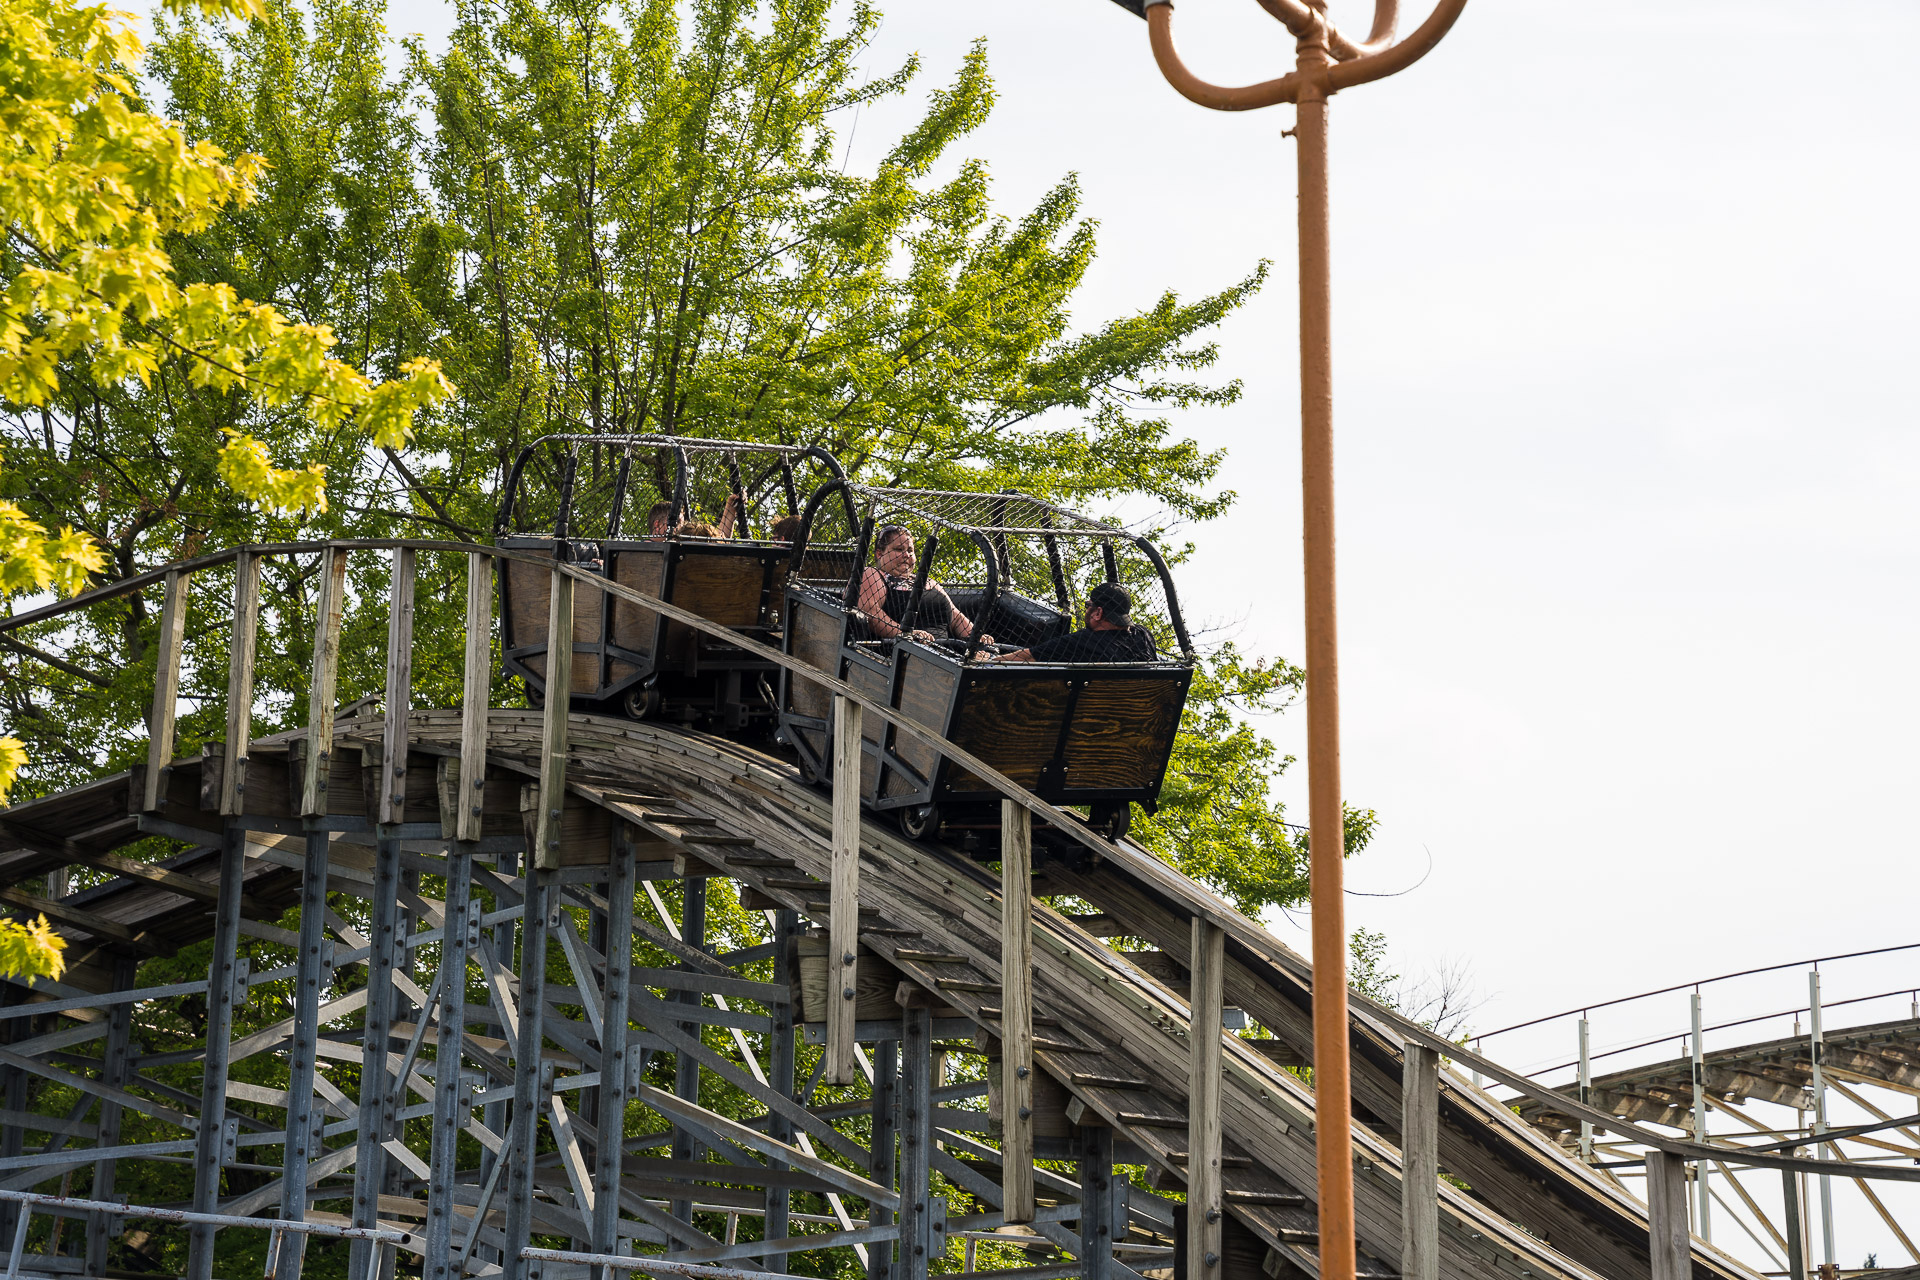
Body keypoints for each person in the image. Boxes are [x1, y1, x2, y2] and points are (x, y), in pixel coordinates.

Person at [855, 525, 990, 644]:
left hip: (948, 650)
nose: (906, 555)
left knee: (998, 657)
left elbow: (955, 616)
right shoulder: (873, 574)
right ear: (879, 553)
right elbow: (869, 611)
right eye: (899, 549)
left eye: (910, 551)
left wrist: (975, 637)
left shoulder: (928, 582)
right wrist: (905, 635)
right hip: (908, 652)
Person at [991, 582, 1155, 663]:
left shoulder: (1083, 642)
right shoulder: (1143, 635)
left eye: (1088, 606)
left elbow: (1027, 656)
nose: (1086, 610)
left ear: (1098, 613)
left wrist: (989, 660)